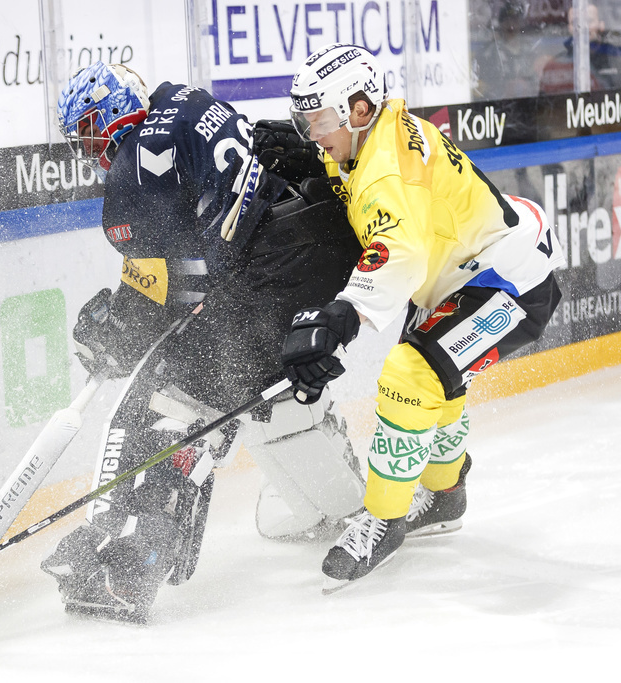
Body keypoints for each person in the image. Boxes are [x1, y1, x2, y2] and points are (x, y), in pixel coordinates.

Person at [40, 61, 367, 622]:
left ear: (118, 112)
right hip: (315, 240)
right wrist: (130, 314)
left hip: (275, 273)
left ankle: (136, 563)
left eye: (94, 130)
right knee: (251, 389)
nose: (94, 151)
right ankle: (337, 502)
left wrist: (115, 329)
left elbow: (166, 286)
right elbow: (199, 253)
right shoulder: (187, 104)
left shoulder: (137, 163)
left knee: (179, 397)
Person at [281, 43, 565, 591]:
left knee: (411, 374)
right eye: (303, 119)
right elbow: (359, 187)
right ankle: (445, 493)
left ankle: (383, 521)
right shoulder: (374, 134)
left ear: (359, 109)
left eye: (316, 119)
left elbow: (398, 250)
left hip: (509, 281)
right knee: (437, 376)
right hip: (466, 272)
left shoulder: (388, 168)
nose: (310, 132)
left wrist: (345, 312)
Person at [539, 2, 621, 94]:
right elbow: (544, 105)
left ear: (601, 25)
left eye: (589, 21)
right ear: (569, 28)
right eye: (575, 22)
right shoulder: (557, 64)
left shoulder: (616, 59)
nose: (581, 27)